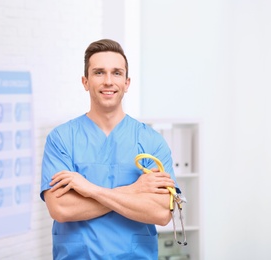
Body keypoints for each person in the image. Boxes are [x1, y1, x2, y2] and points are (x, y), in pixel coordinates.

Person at [40, 39, 179, 259]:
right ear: (85, 82)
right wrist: (135, 190)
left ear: (127, 82)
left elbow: (161, 213)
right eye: (98, 73)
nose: (108, 81)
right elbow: (61, 209)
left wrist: (90, 190)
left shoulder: (151, 142)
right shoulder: (62, 139)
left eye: (116, 73)